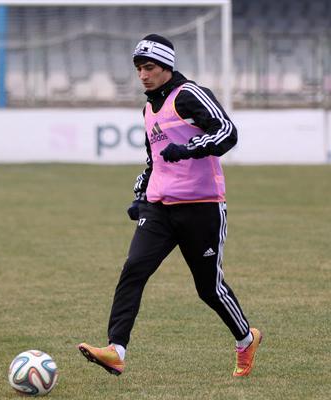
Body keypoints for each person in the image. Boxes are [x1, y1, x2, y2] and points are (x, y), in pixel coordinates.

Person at [78, 34, 261, 377]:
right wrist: (140, 196)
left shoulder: (190, 95)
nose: (143, 75)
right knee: (134, 269)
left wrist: (190, 148)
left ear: (166, 67)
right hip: (160, 208)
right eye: (138, 69)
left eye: (149, 67)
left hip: (201, 206)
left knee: (209, 289)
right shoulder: (148, 108)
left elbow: (227, 131)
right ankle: (116, 350)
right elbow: (154, 161)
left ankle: (246, 339)